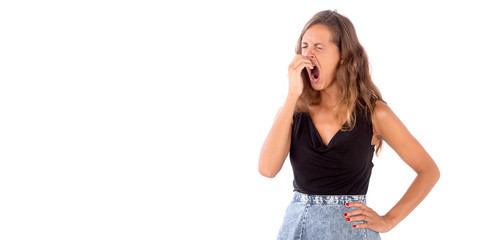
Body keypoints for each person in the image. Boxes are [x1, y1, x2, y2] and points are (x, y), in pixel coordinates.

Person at [258, 10, 440, 240]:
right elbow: (267, 169)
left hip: (350, 233)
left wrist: (389, 220)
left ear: (342, 55)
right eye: (304, 46)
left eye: (319, 47)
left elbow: (429, 171)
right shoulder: (292, 112)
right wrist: (292, 95)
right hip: (297, 230)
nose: (308, 54)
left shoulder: (375, 114)